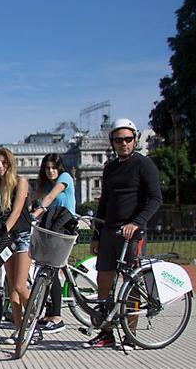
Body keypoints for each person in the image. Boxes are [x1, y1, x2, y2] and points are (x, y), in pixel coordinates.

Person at [85, 118, 162, 349]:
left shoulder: (144, 164)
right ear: (113, 142)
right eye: (119, 140)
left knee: (132, 284)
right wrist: (97, 235)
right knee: (103, 282)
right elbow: (104, 202)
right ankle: (106, 333)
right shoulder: (110, 168)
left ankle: (131, 335)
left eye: (128, 139)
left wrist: (137, 222)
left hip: (132, 233)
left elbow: (155, 198)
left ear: (135, 140)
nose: (124, 143)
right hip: (109, 230)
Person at [0, 147, 34, 345]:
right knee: (11, 287)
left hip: (21, 237)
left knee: (20, 285)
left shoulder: (21, 182)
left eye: (3, 163)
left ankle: (34, 321)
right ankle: (18, 329)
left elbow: (15, 213)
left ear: (10, 164)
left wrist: (1, 230)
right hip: (6, 240)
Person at [32, 153, 76, 334]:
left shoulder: (64, 178)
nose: (51, 171)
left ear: (60, 168)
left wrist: (36, 213)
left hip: (65, 227)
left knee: (53, 269)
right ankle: (49, 314)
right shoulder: (48, 184)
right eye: (47, 168)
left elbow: (49, 198)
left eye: (53, 167)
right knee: (47, 270)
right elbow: (38, 198)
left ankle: (57, 317)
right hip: (53, 228)